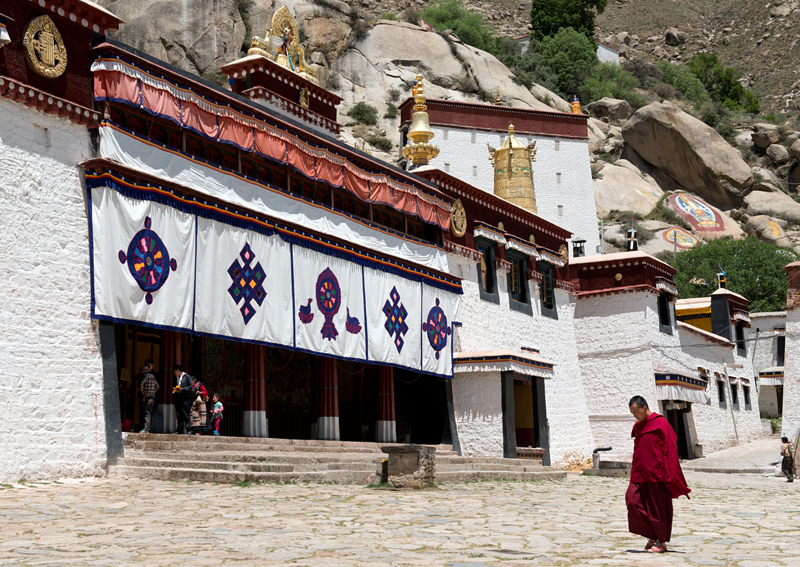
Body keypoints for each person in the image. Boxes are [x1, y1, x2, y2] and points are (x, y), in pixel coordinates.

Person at [626, 396, 690, 554]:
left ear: (645, 407)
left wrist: (670, 473)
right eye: (632, 412)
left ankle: (660, 541)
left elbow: (670, 448)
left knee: (657, 509)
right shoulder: (639, 425)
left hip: (656, 473)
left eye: (636, 411)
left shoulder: (660, 423)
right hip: (639, 472)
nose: (634, 415)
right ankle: (651, 534)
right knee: (632, 501)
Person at [172, 365, 194, 435]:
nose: (174, 374)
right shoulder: (177, 379)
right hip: (178, 398)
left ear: (178, 370)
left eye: (175, 372)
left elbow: (190, 387)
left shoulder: (187, 376)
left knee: (186, 414)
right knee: (179, 415)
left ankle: (189, 430)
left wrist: (183, 389)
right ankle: (179, 430)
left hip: (185, 398)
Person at [138, 360, 159, 433]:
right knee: (150, 413)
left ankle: (146, 429)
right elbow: (157, 386)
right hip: (152, 398)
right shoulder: (153, 377)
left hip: (146, 398)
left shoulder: (146, 377)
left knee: (146, 414)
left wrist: (142, 391)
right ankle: (149, 429)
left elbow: (141, 384)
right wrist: (153, 392)